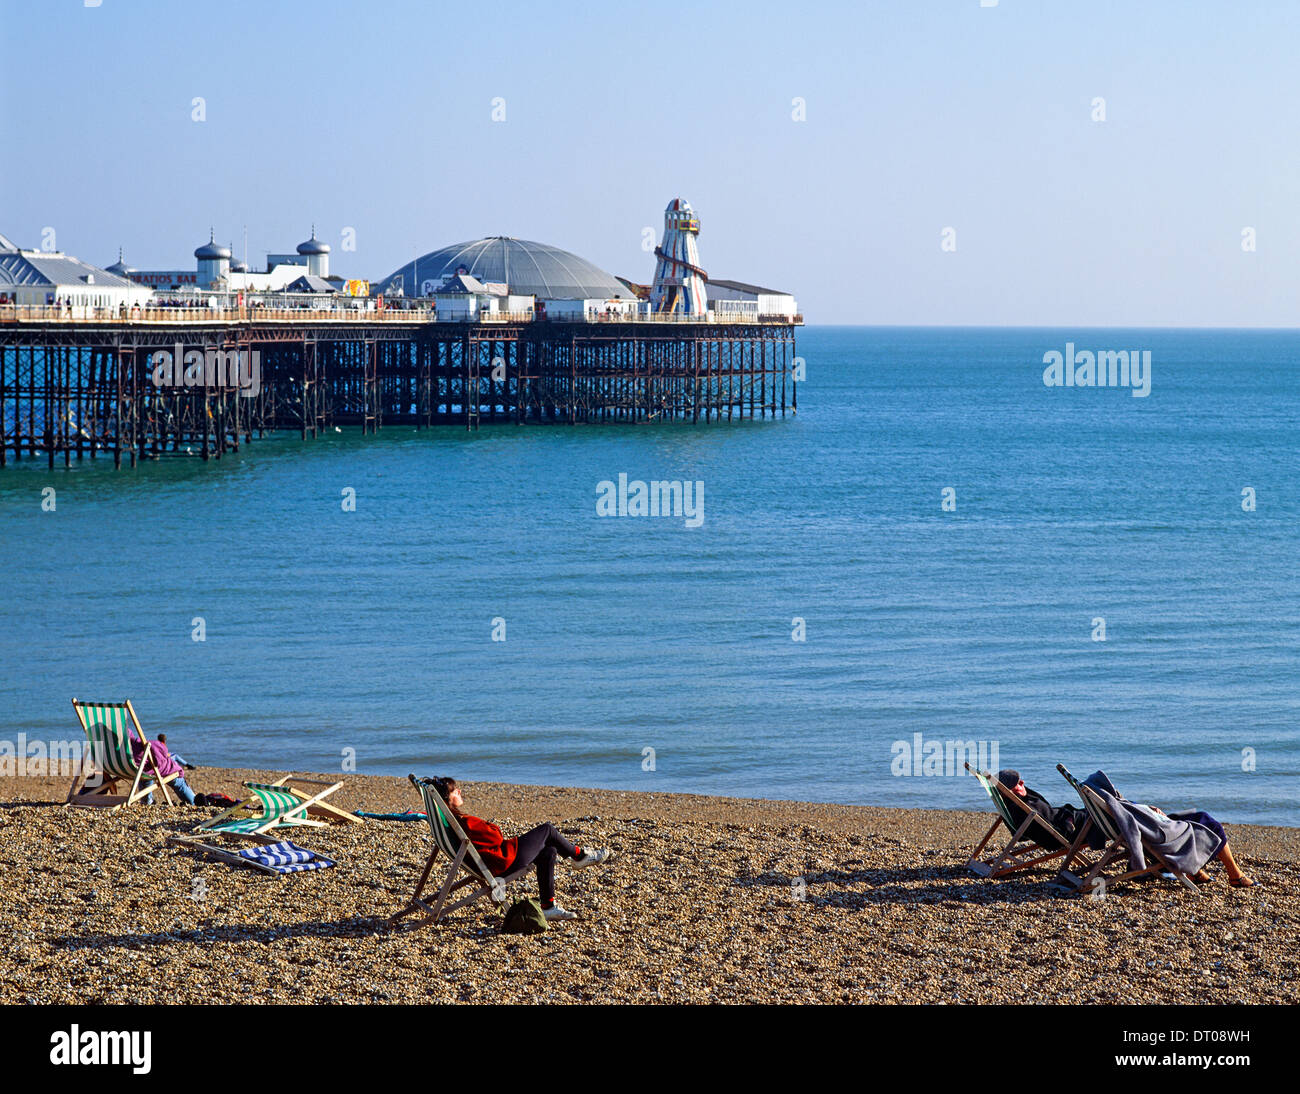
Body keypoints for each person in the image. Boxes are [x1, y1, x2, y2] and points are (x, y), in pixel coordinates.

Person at [429, 776, 612, 921]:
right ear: (447, 798)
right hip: (502, 861)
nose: (460, 792)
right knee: (547, 829)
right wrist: (491, 826)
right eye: (455, 791)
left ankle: (548, 907)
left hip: (495, 860)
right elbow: (496, 836)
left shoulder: (455, 822)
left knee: (548, 851)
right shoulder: (465, 822)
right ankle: (580, 856)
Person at [1085, 772, 1254, 888]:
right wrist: (1149, 812)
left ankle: (1195, 872)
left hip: (1149, 827)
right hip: (1156, 834)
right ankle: (1235, 875)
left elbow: (1133, 814)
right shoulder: (1118, 807)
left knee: (1195, 816)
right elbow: (1135, 820)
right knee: (1209, 824)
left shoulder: (1113, 806)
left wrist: (1148, 809)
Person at [997, 768, 1096, 848]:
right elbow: (1056, 836)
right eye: (1017, 783)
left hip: (1067, 817)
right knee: (1102, 816)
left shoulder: (1017, 802)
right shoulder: (1023, 810)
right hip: (1075, 826)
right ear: (1007, 792)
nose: (1022, 782)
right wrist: (1069, 821)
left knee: (1099, 810)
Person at [133, 734, 199, 806]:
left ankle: (147, 801)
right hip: (149, 768)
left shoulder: (125, 744)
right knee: (176, 776)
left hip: (135, 770)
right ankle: (194, 801)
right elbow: (162, 757)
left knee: (146, 773)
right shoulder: (158, 744)